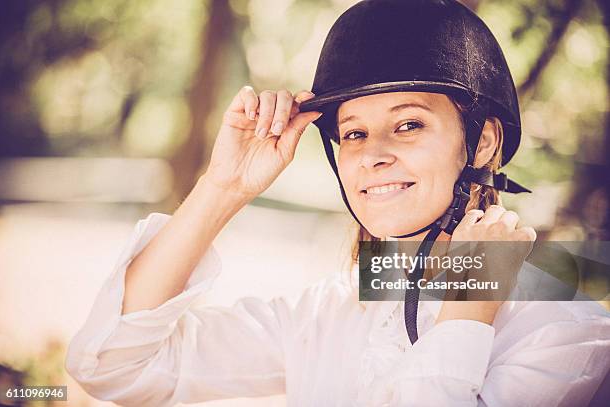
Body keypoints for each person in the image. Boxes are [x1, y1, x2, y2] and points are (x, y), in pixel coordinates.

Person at [65, 0, 610, 406]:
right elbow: (113, 365)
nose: (373, 155)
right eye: (353, 134)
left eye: (409, 124)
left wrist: (469, 306)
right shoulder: (330, 309)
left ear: (484, 142)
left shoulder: (564, 327)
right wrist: (222, 188)